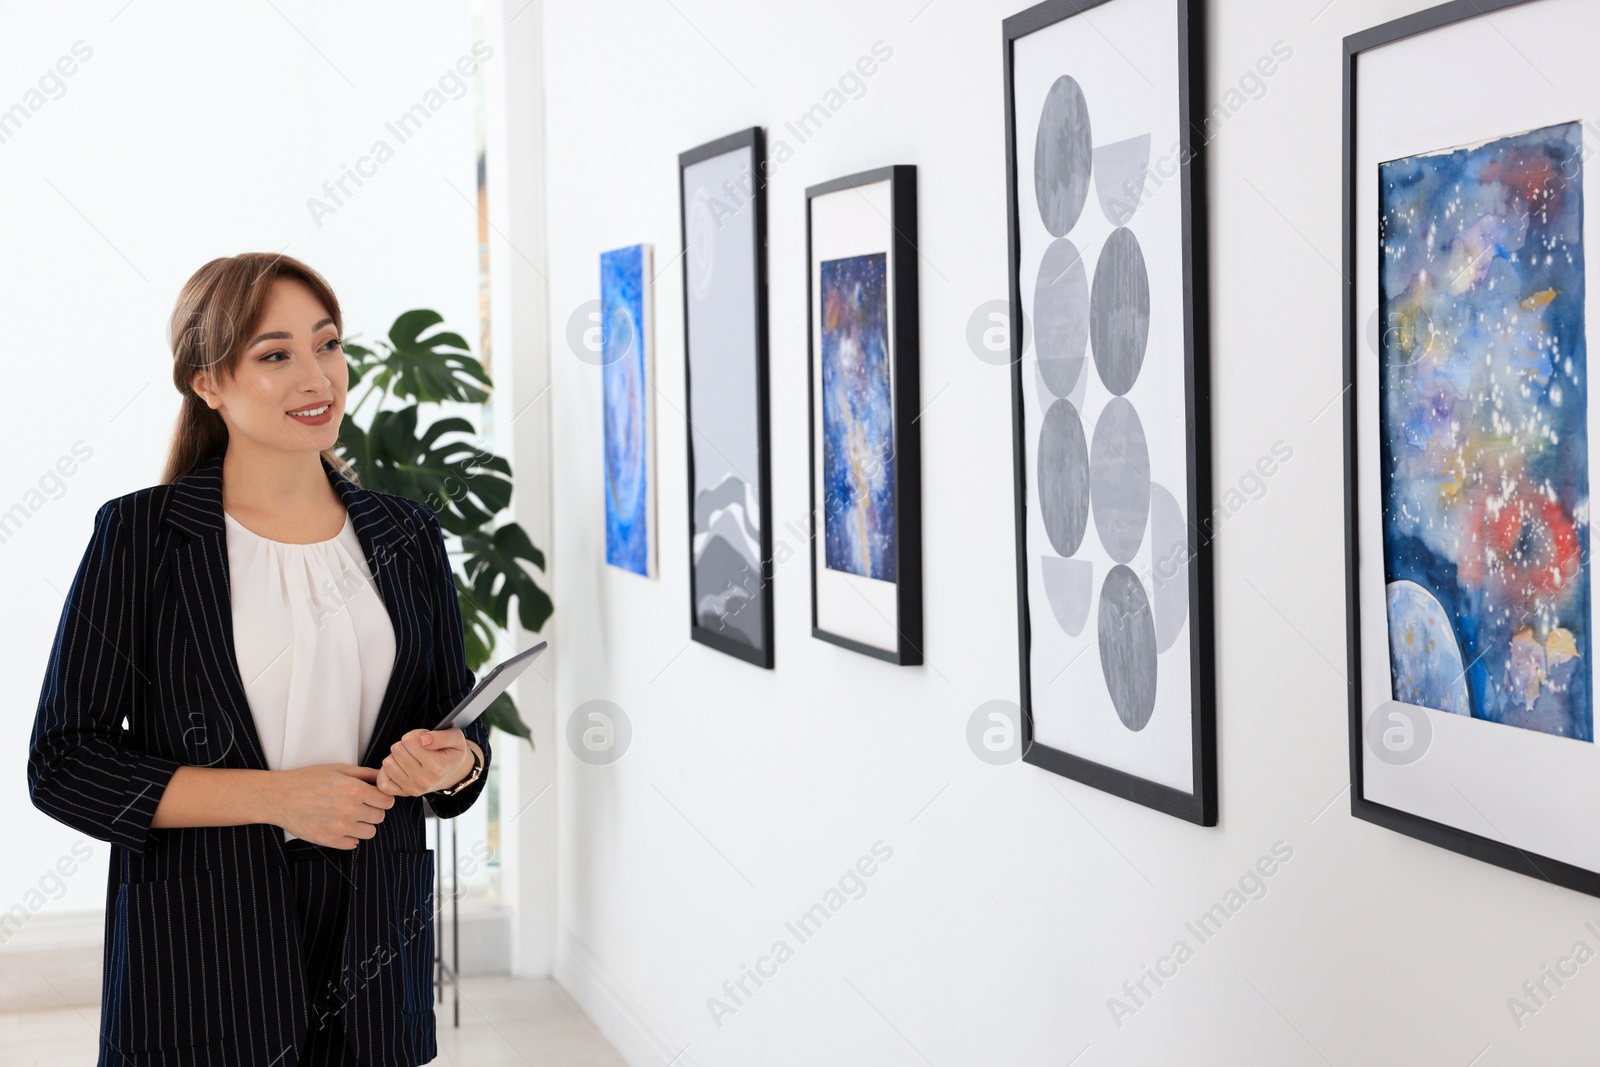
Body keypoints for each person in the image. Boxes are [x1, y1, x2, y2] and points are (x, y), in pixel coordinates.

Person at [26, 252, 492, 1067]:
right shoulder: (141, 538)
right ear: (208, 382)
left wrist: (451, 765)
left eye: (328, 344)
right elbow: (63, 763)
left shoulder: (408, 535)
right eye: (275, 354)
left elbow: (457, 737)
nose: (318, 377)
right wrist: (280, 799)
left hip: (374, 950)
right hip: (208, 952)